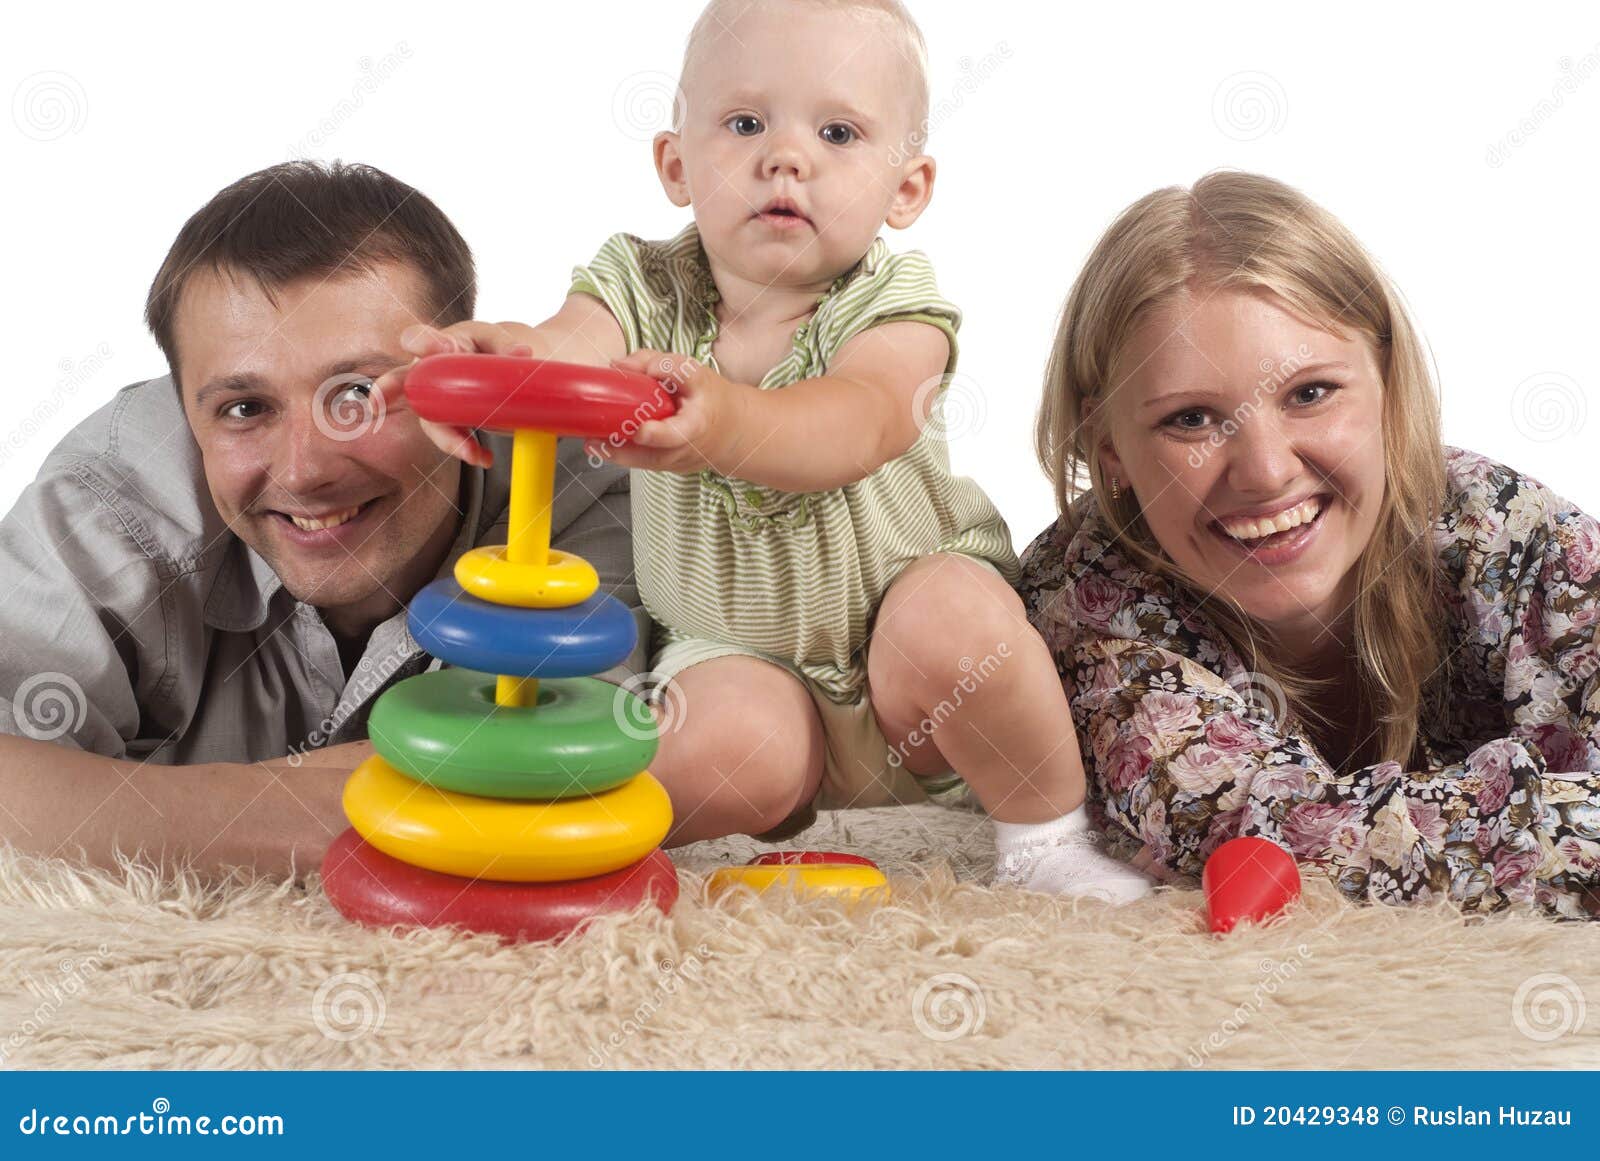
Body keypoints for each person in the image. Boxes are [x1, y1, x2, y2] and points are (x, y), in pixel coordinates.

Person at [379, 0, 1155, 902]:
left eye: (838, 131)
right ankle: (558, 827)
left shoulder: (895, 304)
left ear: (907, 187)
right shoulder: (640, 285)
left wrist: (721, 426)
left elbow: (859, 419)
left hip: (910, 664)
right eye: (745, 123)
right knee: (707, 739)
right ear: (676, 163)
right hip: (733, 652)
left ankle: (1045, 840)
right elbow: (564, 347)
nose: (786, 157)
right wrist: (487, 367)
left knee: (956, 623)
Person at [0, 161, 640, 879]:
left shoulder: (579, 489)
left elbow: (587, 774)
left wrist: (122, 809)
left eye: (360, 394)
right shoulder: (117, 492)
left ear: (459, 376)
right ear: (184, 412)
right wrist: (337, 810)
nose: (305, 470)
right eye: (245, 408)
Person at [1017, 170, 1600, 920]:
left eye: (1311, 393)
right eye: (1191, 419)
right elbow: (1279, 839)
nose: (1265, 472)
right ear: (1110, 453)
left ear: (1387, 383)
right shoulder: (1087, 606)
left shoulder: (1500, 530)